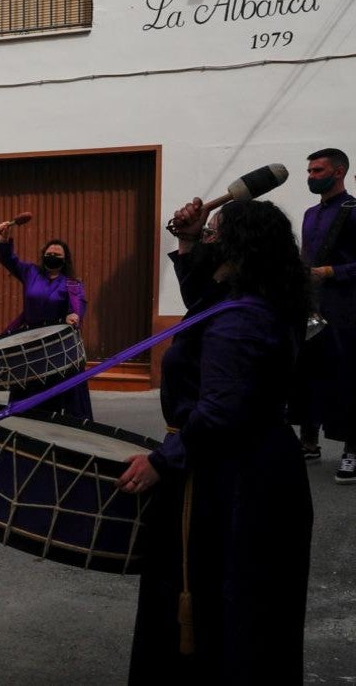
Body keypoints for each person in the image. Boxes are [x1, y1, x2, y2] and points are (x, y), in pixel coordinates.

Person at [119, 198, 313, 683]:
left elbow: (222, 411)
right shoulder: (245, 299)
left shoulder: (242, 319)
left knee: (228, 597)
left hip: (236, 479)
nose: (206, 238)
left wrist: (163, 461)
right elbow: (200, 301)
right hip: (248, 467)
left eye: (212, 233)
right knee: (239, 602)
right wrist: (185, 239)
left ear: (236, 245)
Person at [289, 148, 356, 482]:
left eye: (317, 171)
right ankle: (309, 441)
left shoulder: (353, 211)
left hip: (346, 309)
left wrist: (329, 272)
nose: (311, 177)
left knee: (346, 379)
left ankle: (352, 451)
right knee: (307, 374)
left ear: (339, 172)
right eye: (310, 171)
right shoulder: (310, 214)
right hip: (312, 305)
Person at [0, 213, 93, 419]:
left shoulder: (72, 284)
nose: (53, 256)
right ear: (43, 255)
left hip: (57, 345)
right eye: (50, 252)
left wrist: (73, 316)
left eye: (58, 254)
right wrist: (4, 239)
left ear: (64, 260)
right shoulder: (30, 272)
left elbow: (78, 306)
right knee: (27, 390)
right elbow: (8, 259)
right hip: (31, 342)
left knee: (65, 392)